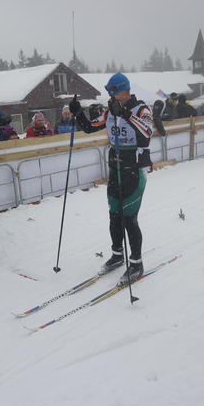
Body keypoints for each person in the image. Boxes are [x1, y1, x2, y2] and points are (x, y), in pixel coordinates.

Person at [69, 73, 153, 284]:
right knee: (114, 215)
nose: (112, 96)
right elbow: (89, 127)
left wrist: (124, 113)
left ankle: (136, 263)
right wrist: (78, 113)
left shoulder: (141, 109)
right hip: (116, 167)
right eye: (110, 92)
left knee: (129, 218)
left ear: (126, 90)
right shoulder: (109, 111)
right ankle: (117, 255)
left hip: (134, 168)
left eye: (115, 91)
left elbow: (146, 133)